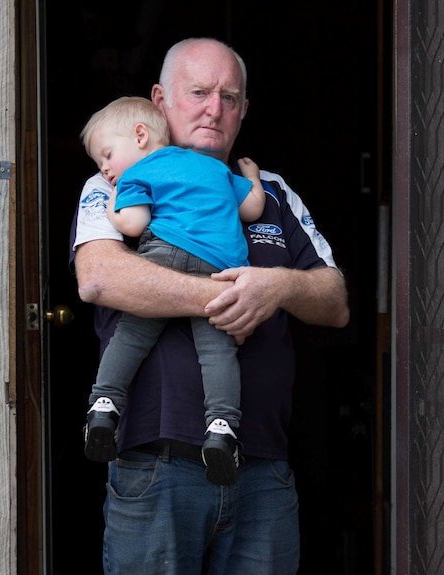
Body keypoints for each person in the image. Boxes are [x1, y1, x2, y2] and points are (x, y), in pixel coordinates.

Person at [71, 37, 349, 575]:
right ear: (160, 99)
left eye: (229, 96)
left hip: (261, 470)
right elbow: (100, 279)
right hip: (157, 467)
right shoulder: (117, 178)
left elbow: (335, 299)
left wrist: (276, 288)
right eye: (199, 92)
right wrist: (228, 300)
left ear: (243, 109)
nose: (213, 108)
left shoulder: (270, 193)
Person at [79, 96, 265, 487]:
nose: (105, 168)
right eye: (100, 164)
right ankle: (221, 429)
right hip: (221, 267)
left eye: (107, 155)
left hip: (165, 255)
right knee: (217, 352)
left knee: (131, 334)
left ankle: (105, 406)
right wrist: (252, 179)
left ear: (141, 136)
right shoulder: (213, 167)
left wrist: (115, 202)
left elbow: (133, 223)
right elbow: (252, 209)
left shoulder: (136, 174)